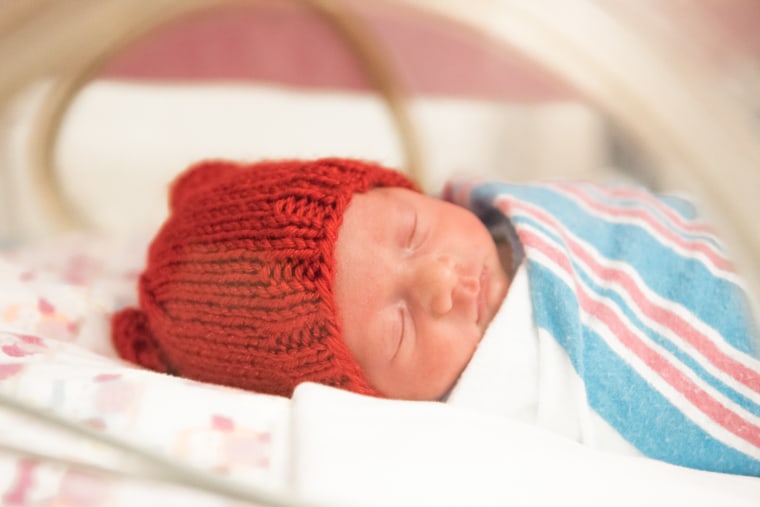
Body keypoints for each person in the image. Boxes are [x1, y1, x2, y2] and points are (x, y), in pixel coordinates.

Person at [111, 157, 760, 476]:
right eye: (395, 328)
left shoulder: (496, 204)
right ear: (370, 396)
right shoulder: (504, 406)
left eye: (412, 229)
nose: (439, 281)